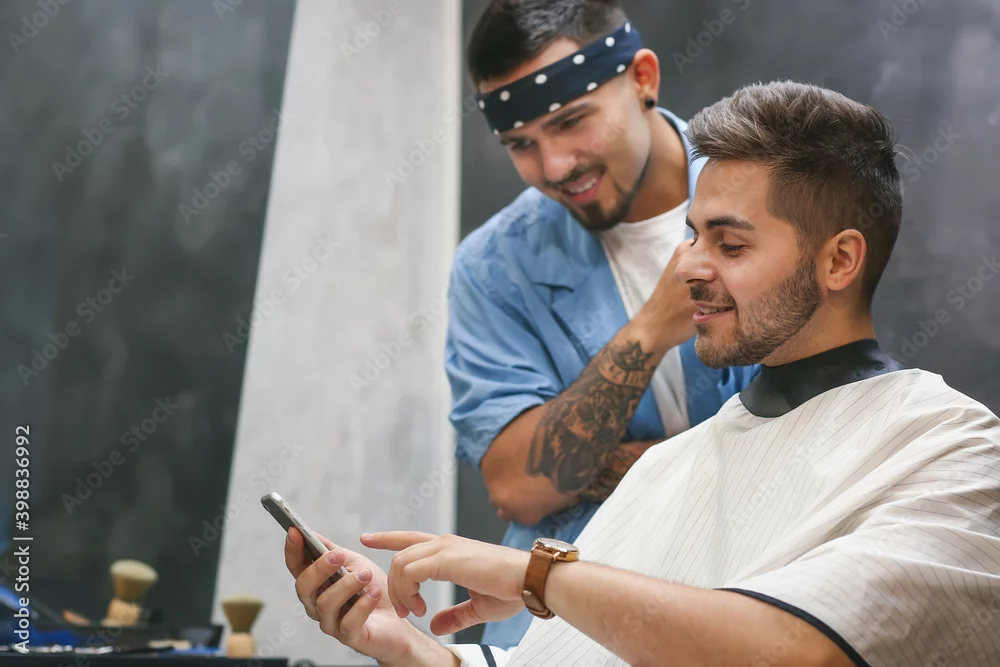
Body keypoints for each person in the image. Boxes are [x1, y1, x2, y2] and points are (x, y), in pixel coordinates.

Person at [285, 80, 1000, 666]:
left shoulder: (947, 450)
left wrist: (537, 576)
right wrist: (412, 649)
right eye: (692, 234)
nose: (687, 266)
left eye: (729, 244)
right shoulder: (668, 470)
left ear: (839, 260)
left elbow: (798, 653)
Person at [446, 0, 758, 647]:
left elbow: (826, 433)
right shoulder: (492, 266)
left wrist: (591, 467)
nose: (555, 167)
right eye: (522, 145)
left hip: (762, 598)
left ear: (643, 78)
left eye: (571, 122)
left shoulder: (772, 197)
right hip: (565, 627)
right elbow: (516, 484)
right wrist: (650, 329)